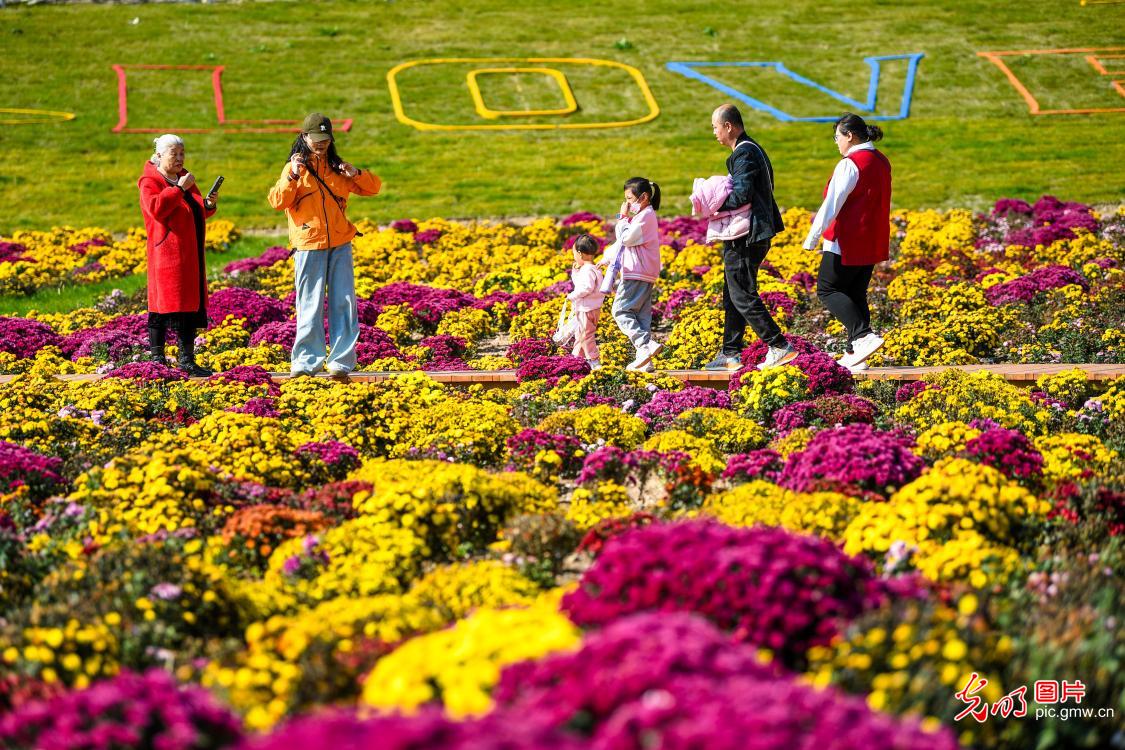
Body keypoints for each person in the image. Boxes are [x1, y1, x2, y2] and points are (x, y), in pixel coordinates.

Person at [268, 113, 381, 377]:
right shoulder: (293, 169)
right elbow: (276, 201)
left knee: (344, 303)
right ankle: (306, 362)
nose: (320, 144)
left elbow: (373, 187)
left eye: (325, 139)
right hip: (308, 245)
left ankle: (341, 362)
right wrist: (293, 176)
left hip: (340, 243)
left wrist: (356, 173)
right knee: (309, 304)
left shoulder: (338, 167)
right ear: (304, 137)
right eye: (315, 139)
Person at [701, 104, 795, 372]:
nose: (714, 132)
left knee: (741, 293)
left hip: (747, 234)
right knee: (732, 292)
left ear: (728, 126)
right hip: (753, 232)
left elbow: (742, 194)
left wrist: (712, 205)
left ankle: (779, 345)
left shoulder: (744, 153)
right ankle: (730, 353)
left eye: (715, 127)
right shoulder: (751, 149)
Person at [802, 113, 892, 373]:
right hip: (871, 239)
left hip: (847, 239)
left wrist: (812, 236)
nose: (836, 143)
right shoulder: (881, 160)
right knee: (854, 293)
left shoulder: (850, 163)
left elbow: (832, 203)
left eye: (837, 137)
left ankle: (863, 336)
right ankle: (856, 353)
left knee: (827, 290)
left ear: (849, 136)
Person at [138, 133, 219, 377]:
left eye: (182, 153)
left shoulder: (184, 178)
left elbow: (193, 212)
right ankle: (157, 359)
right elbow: (157, 209)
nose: (180, 158)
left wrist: (207, 205)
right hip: (166, 255)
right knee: (163, 306)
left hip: (189, 255)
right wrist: (178, 189)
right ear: (160, 155)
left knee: (189, 308)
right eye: (175, 153)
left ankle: (187, 360)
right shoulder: (149, 181)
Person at [602, 177, 663, 372]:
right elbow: (622, 244)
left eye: (629, 199)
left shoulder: (645, 216)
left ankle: (647, 344)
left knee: (620, 311)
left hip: (636, 271)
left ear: (644, 197)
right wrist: (607, 257)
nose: (627, 204)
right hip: (643, 271)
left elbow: (625, 239)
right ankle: (645, 360)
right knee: (640, 315)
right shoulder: (643, 216)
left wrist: (622, 217)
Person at [566, 234, 606, 371]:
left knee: (585, 335)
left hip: (586, 309)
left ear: (580, 254)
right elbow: (583, 283)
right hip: (593, 308)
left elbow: (585, 288)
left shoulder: (587, 270)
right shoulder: (594, 268)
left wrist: (572, 296)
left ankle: (593, 360)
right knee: (581, 334)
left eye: (574, 253)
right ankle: (576, 358)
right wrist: (576, 270)